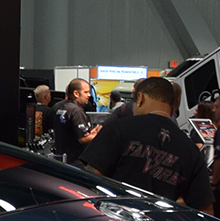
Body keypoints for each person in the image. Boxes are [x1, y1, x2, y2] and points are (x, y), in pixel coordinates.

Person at [81, 76, 212, 211]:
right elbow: (205, 208)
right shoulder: (190, 149)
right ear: (172, 106)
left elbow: (91, 179)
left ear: (140, 98)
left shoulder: (118, 129)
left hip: (114, 216)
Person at [50, 78, 99, 163]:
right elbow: (83, 139)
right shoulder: (76, 111)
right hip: (75, 160)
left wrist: (90, 133)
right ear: (76, 93)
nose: (89, 95)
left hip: (61, 158)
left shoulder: (60, 107)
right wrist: (99, 135)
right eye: (86, 92)